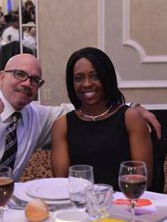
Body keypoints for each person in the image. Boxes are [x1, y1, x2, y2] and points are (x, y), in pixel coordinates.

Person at [0, 53, 161, 182]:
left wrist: (131, 106)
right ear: (2, 77)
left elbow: (87, 109)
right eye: (20, 75)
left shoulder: (35, 115)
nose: (27, 83)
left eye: (35, 80)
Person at [51, 47, 153, 190]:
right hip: (81, 205)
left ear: (107, 78)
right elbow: (61, 184)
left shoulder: (130, 118)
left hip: (123, 203)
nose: (86, 84)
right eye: (79, 78)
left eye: (95, 76)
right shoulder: (61, 125)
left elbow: (144, 180)